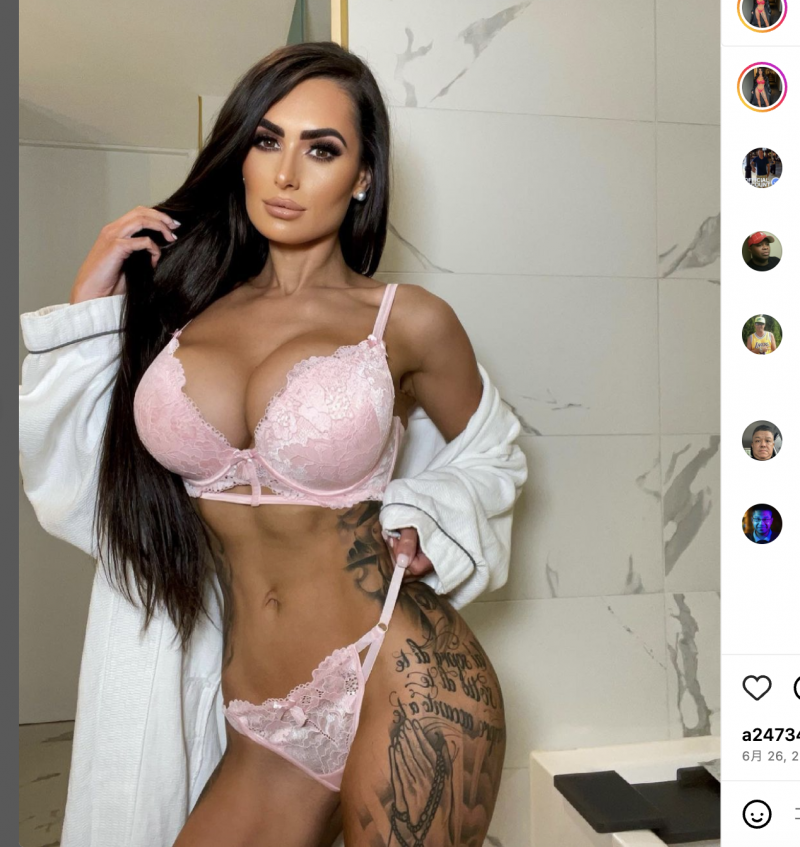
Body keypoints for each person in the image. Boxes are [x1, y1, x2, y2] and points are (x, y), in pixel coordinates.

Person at [18, 43, 528, 847]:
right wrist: (89, 308)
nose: (286, 173)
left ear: (362, 177)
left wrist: (432, 515)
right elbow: (89, 484)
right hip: (263, 714)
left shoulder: (405, 320)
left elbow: (495, 454)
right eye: (267, 140)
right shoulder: (182, 313)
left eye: (321, 149)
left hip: (404, 675)